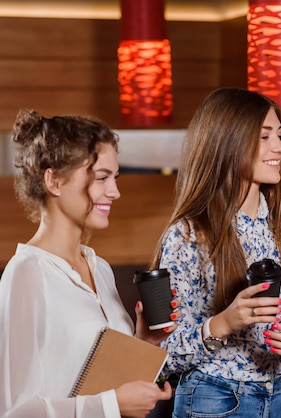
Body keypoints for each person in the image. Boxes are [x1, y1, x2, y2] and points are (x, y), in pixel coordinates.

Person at [151, 88, 281, 418]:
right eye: (265, 136)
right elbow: (162, 354)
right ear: (228, 143)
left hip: (279, 399)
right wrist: (223, 323)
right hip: (213, 400)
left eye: (280, 135)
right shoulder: (188, 234)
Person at [0, 110, 176, 418]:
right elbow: (13, 410)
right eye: (101, 178)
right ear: (54, 180)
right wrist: (112, 405)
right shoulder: (27, 273)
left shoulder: (100, 268)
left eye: (115, 177)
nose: (115, 191)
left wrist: (144, 341)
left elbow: (100, 378)